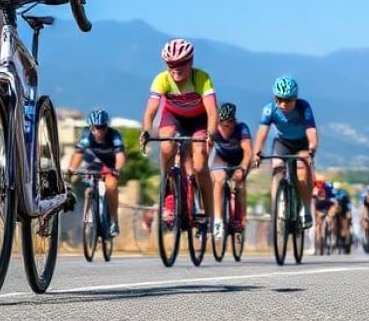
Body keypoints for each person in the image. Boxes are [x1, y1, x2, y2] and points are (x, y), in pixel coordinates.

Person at [140, 38, 218, 227]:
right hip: (173, 117)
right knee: (167, 147)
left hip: (199, 120)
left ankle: (209, 217)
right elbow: (151, 111)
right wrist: (146, 132)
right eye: (170, 64)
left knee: (200, 166)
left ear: (190, 62)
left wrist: (211, 134)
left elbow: (212, 111)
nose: (175, 69)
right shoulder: (162, 79)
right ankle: (168, 188)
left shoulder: (202, 78)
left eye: (180, 64)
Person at [250, 76, 318, 230]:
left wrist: (312, 148)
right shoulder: (269, 110)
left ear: (295, 98)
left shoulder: (303, 107)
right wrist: (257, 153)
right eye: (279, 99)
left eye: (288, 100)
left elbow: (311, 130)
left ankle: (305, 209)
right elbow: (262, 133)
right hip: (283, 143)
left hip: (302, 143)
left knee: (302, 168)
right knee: (277, 168)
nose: (283, 104)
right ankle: (277, 210)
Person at [66, 107, 127, 236]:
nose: (98, 132)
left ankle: (114, 221)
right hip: (93, 165)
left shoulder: (114, 135)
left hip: (110, 165)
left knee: (111, 186)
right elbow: (78, 154)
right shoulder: (87, 135)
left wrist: (117, 169)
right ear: (90, 128)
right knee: (88, 189)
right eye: (95, 128)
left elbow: (120, 155)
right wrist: (71, 170)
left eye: (102, 128)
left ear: (106, 127)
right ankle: (87, 221)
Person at [208, 102, 253, 241]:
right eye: (223, 125)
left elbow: (248, 151)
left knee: (239, 185)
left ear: (234, 122)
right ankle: (218, 221)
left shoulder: (241, 129)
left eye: (230, 124)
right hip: (222, 159)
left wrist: (243, 166)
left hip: (239, 160)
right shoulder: (214, 130)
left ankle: (240, 219)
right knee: (219, 181)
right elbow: (206, 149)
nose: (227, 128)